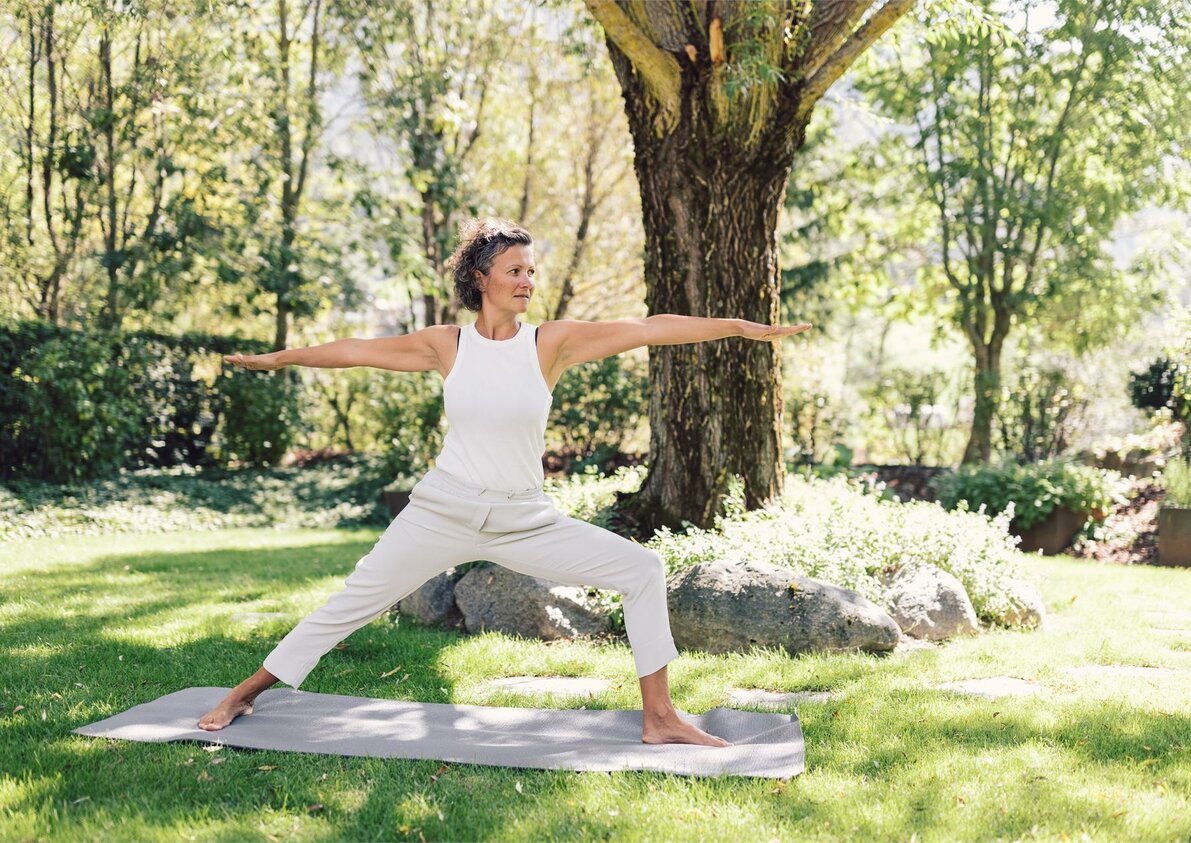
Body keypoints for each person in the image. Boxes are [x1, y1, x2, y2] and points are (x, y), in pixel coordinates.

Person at [197, 217, 812, 747]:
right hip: (443, 511)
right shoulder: (448, 345)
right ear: (482, 278)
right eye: (515, 270)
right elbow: (357, 349)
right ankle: (246, 692)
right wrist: (280, 359)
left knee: (641, 570)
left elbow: (649, 327)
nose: (527, 282)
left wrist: (736, 326)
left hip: (524, 519)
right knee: (351, 603)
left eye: (530, 271)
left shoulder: (550, 344)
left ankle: (660, 717)